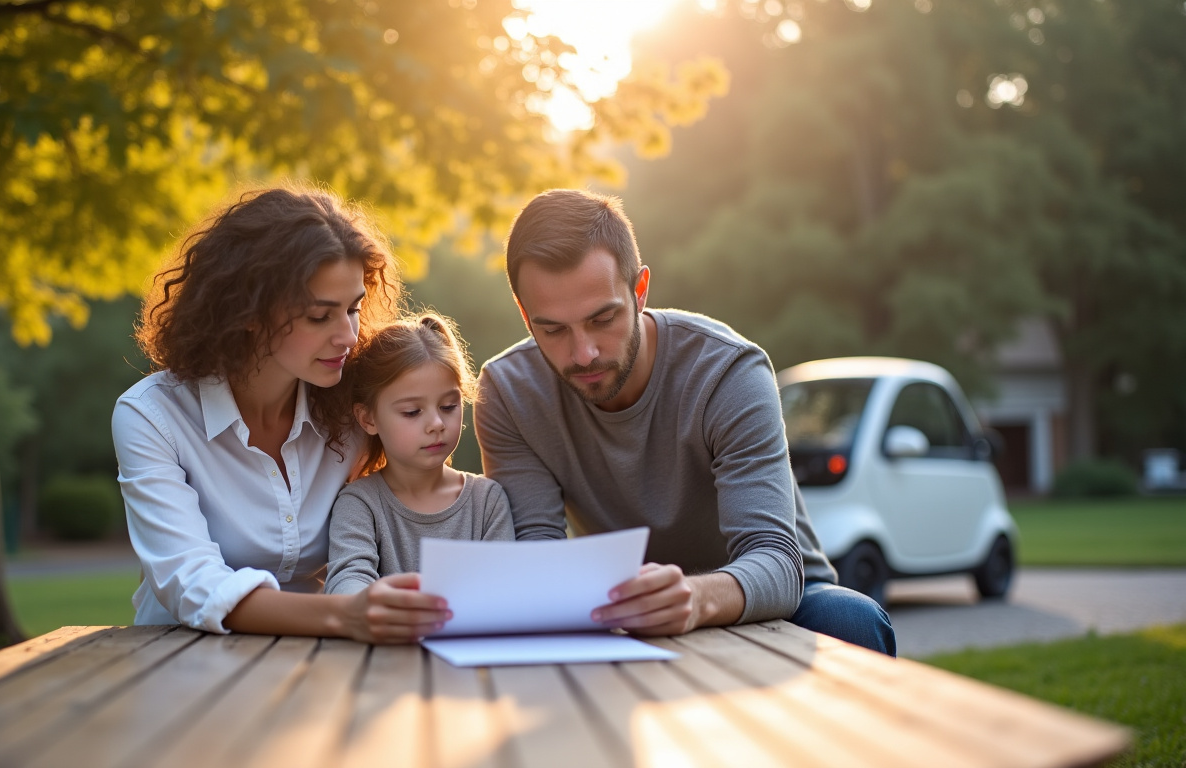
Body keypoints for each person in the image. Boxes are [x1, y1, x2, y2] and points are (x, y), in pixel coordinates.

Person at [473, 189, 896, 655]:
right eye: (552, 329)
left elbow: (776, 562)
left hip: (769, 600)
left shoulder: (728, 372)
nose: (583, 353)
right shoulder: (508, 393)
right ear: (524, 314)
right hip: (625, 614)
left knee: (851, 618)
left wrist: (692, 600)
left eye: (602, 319)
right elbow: (540, 560)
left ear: (640, 290)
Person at [112, 185, 450, 642]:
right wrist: (344, 616)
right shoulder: (152, 416)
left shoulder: (354, 410)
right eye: (319, 316)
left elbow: (421, 490)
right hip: (178, 658)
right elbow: (192, 584)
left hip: (318, 661)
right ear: (249, 311)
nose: (349, 336)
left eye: (353, 309)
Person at [324, 313, 515, 595]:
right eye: (412, 412)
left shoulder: (487, 501)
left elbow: (505, 590)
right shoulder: (359, 503)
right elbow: (347, 583)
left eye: (449, 406)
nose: (437, 424)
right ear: (368, 419)